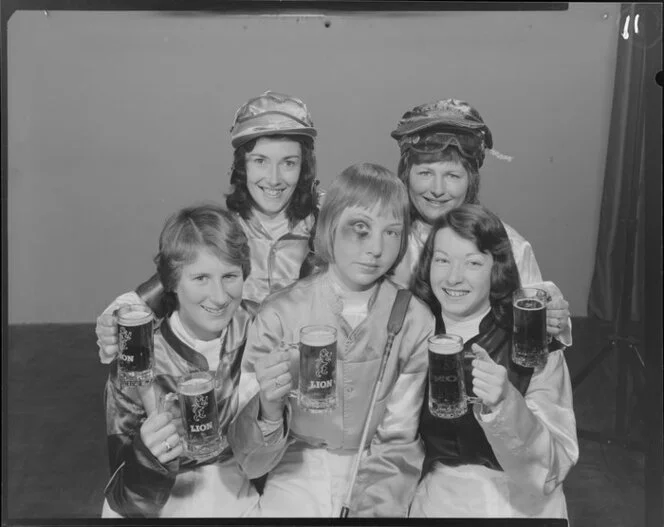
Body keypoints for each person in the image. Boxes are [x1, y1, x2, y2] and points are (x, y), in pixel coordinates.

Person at [227, 163, 435, 517]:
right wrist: (268, 409)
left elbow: (399, 439)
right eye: (360, 229)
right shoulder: (280, 313)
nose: (375, 249)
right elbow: (249, 461)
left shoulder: (414, 318)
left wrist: (372, 508)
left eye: (392, 232)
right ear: (329, 226)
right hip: (295, 468)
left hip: (379, 471)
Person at [95, 91, 320, 364]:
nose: (274, 179)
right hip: (234, 381)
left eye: (288, 163)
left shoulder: (327, 224)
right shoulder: (222, 230)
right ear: (242, 167)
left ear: (304, 168)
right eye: (260, 161)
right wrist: (116, 319)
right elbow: (161, 290)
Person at [408, 204, 578, 518]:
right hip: (437, 503)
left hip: (522, 506)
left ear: (496, 267)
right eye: (442, 260)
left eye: (472, 262)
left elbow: (552, 468)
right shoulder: (411, 333)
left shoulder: (531, 339)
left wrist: (506, 404)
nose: (454, 277)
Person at [102, 204, 260, 518]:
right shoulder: (140, 358)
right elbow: (124, 497)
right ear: (172, 283)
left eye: (230, 276)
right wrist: (147, 455)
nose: (218, 296)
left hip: (239, 487)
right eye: (201, 277)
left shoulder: (261, 326)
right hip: (161, 499)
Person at [389, 98, 572, 347]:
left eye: (452, 175)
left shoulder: (509, 246)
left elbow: (537, 342)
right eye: (425, 173)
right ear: (406, 175)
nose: (437, 189)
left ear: (471, 180)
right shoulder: (387, 239)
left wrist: (552, 320)